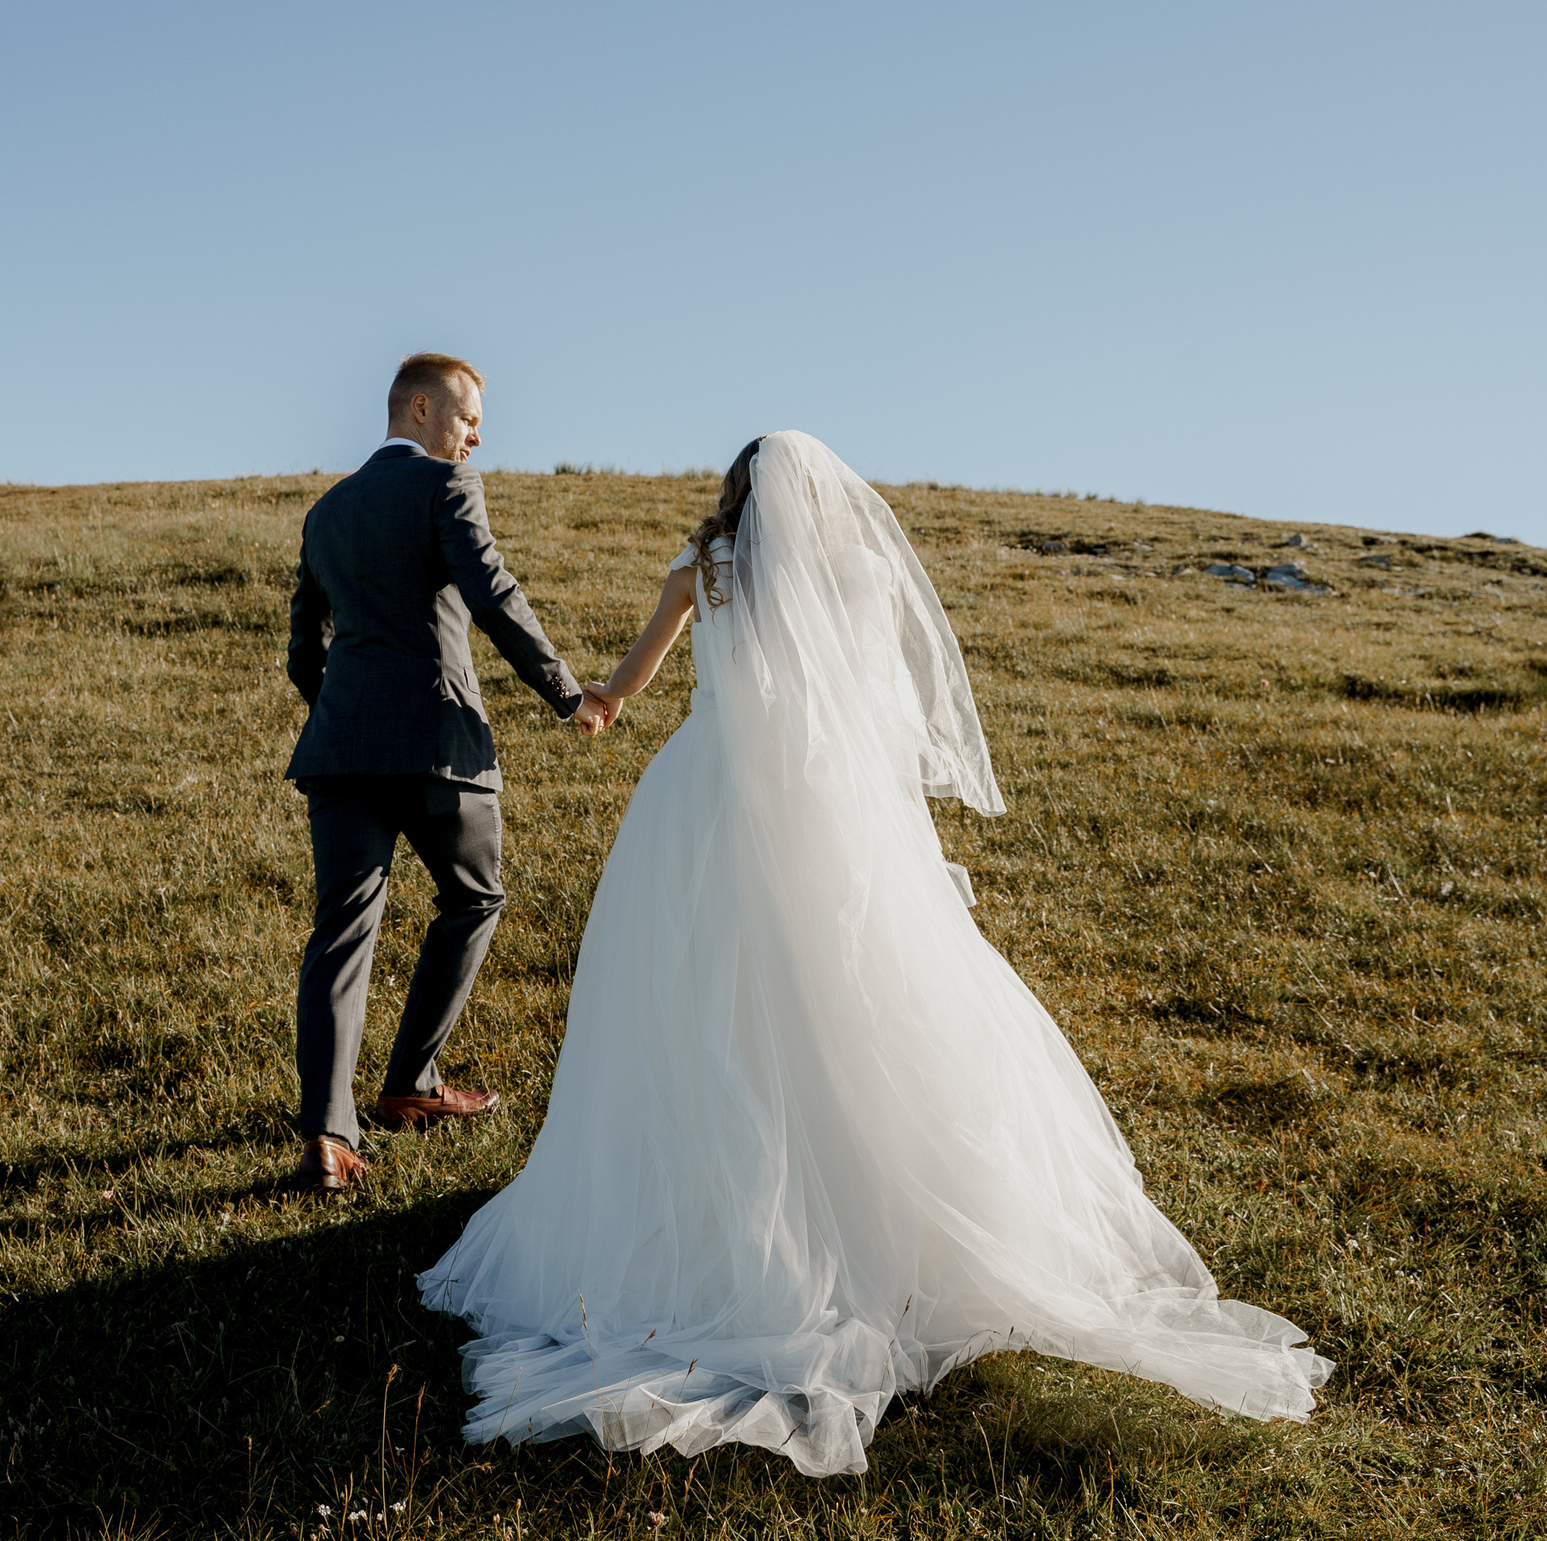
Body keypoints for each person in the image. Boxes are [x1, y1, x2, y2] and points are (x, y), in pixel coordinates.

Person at [417, 431, 1331, 1475]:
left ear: (739, 493)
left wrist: (600, 704)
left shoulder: (700, 570)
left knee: (694, 994)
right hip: (822, 803)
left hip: (705, 797)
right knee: (847, 991)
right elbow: (882, 711)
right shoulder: (861, 576)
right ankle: (870, 1208)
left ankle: (709, 1200)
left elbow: (631, 678)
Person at [282, 353, 615, 1193]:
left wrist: (344, 714)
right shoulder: (445, 489)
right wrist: (569, 695)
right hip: (440, 746)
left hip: (342, 754)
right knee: (475, 897)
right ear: (421, 409)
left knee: (341, 932)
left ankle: (328, 1136)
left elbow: (302, 653)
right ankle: (410, 1082)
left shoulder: (325, 513)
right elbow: (493, 593)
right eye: (467, 417)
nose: (477, 434)